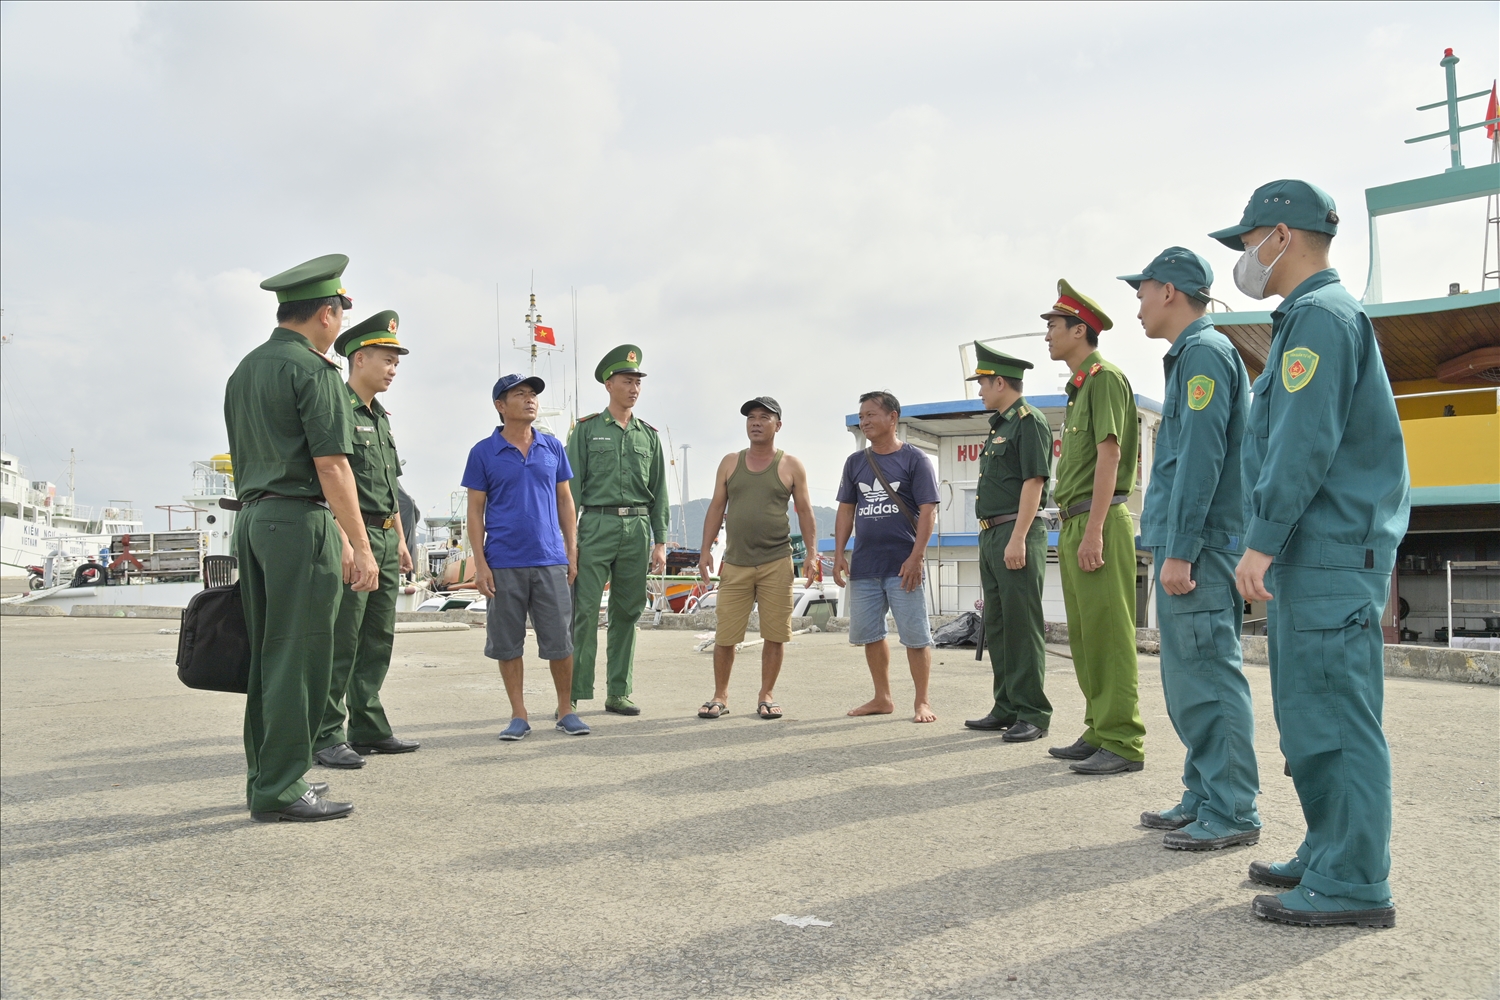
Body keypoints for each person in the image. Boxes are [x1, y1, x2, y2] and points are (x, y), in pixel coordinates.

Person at [1210, 180, 1408, 928]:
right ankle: (1329, 848)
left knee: (1334, 717)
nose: (1245, 259)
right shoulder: (1309, 319)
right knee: (1309, 715)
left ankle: (1356, 879)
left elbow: (1304, 443)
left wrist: (1261, 540)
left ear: (1282, 238)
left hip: (1325, 548)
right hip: (1317, 551)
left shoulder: (1321, 318)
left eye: (1249, 242)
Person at [224, 253, 378, 822]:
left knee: (269, 658)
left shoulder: (245, 369)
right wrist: (360, 545)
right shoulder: (313, 371)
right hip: (298, 522)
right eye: (339, 311)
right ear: (326, 315)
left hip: (254, 521)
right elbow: (333, 466)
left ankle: (266, 779)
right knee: (301, 657)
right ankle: (282, 788)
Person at [1120, 249, 1261, 850]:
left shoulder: (1203, 354)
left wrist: (1180, 549)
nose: (1139, 303)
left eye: (1143, 291)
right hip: (1194, 545)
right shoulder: (1192, 356)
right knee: (1188, 679)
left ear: (1171, 291)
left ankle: (1232, 809)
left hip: (1199, 548)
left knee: (1207, 675)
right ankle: (1204, 793)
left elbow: (1199, 461)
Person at [1042, 279, 1146, 775]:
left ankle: (1123, 740)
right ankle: (1100, 726)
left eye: (1053, 326)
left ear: (1079, 330)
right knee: (1084, 636)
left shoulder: (1104, 378)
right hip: (1076, 520)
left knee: (1109, 635)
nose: (1047, 335)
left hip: (1097, 520)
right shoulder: (1079, 386)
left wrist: (1095, 530)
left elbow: (1111, 455)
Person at [311, 310, 421, 770]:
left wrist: (396, 537)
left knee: (378, 637)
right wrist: (346, 542)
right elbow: (328, 481)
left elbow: (387, 485)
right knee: (343, 639)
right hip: (351, 537)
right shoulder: (336, 407)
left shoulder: (380, 418)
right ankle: (326, 733)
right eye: (387, 358)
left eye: (397, 360)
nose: (394, 368)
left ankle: (368, 727)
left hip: (382, 537)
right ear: (359, 359)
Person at [463, 373, 587, 741]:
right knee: (507, 642)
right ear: (500, 406)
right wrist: (480, 563)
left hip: (550, 559)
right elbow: (475, 511)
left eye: (532, 394)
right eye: (520, 394)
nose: (530, 399)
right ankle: (518, 714)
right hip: (503, 561)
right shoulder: (483, 452)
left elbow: (565, 500)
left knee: (560, 641)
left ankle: (566, 710)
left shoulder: (552, 447)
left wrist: (571, 550)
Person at [697, 397, 820, 720]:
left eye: (764, 417)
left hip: (776, 561)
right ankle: (719, 695)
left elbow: (805, 512)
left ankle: (766, 694)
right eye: (751, 417)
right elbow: (715, 508)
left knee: (775, 633)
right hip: (735, 562)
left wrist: (811, 554)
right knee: (726, 634)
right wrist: (705, 550)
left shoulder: (791, 465)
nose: (755, 422)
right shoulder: (729, 462)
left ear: (777, 425)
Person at [565, 345, 669, 716]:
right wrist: (569, 541)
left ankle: (618, 691)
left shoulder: (648, 436)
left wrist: (659, 542)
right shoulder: (587, 431)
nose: (634, 388)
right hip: (596, 524)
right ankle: (573, 693)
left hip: (637, 527)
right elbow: (570, 491)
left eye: (638, 381)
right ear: (609, 384)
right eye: (627, 381)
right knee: (585, 612)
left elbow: (659, 493)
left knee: (628, 611)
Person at [960, 345, 1054, 743]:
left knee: (1022, 625)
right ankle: (1007, 705)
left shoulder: (1029, 422)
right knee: (997, 624)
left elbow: (1035, 482)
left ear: (1000, 382)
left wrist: (1017, 538)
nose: (979, 390)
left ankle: (1032, 712)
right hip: (991, 533)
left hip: (1017, 531)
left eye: (982, 382)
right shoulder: (999, 425)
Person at [833, 391, 940, 723]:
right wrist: (839, 554)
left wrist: (916, 556)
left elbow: (927, 511)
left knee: (915, 634)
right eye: (861, 416)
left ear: (893, 417)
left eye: (871, 415)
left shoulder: (915, 459)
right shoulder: (855, 462)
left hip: (903, 564)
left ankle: (921, 701)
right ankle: (882, 697)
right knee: (870, 634)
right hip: (866, 565)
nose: (864, 421)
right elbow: (846, 510)